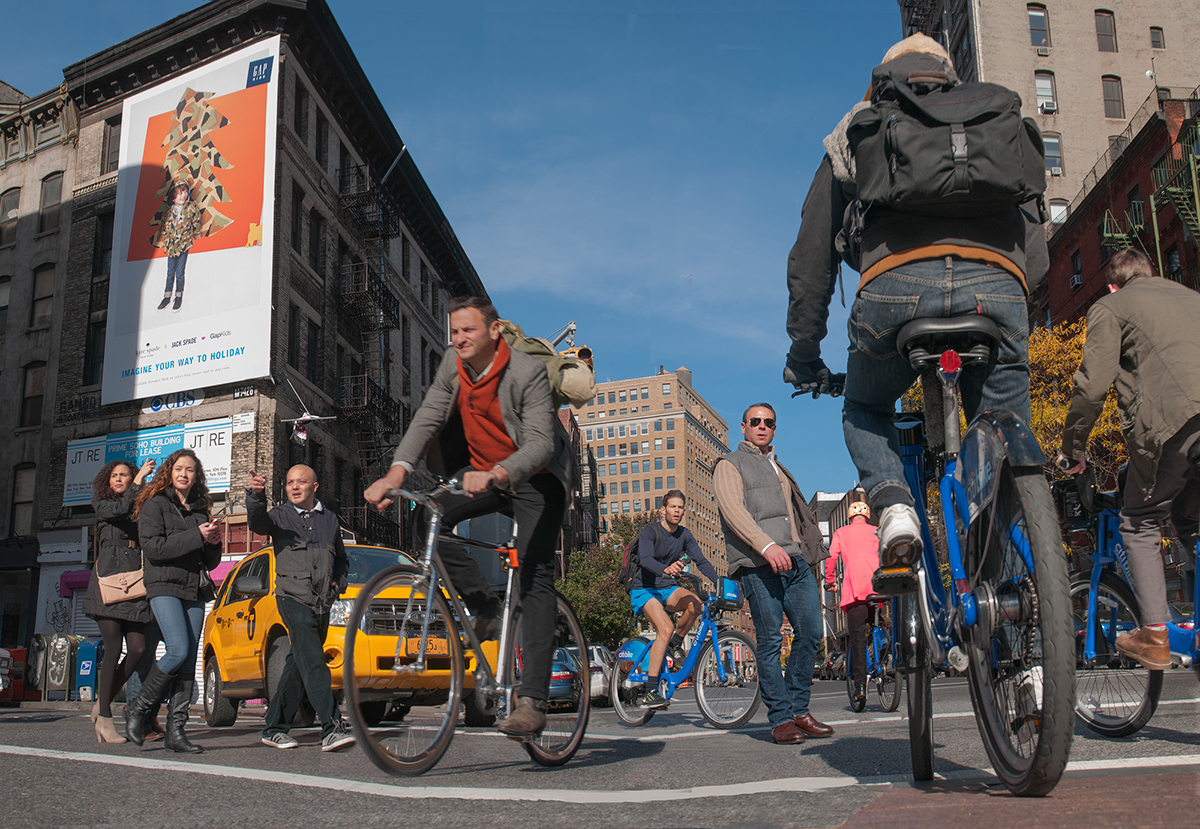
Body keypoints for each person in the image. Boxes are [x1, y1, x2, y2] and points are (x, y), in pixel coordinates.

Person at [783, 33, 1048, 593]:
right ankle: (1014, 596)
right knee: (1000, 433)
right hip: (996, 287)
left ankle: (895, 504)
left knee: (865, 407)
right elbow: (1040, 252)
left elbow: (812, 260)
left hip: (894, 294)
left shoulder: (863, 125)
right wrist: (1012, 298)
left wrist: (805, 354)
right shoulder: (992, 121)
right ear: (950, 76)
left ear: (885, 79)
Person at [364, 295, 571, 739]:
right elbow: (428, 416)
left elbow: (540, 443)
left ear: (493, 331)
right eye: (453, 331)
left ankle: (531, 700)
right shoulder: (452, 365)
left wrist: (498, 472)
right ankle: (484, 605)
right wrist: (395, 473)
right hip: (480, 473)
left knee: (534, 574)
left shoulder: (526, 372)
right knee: (428, 519)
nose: (458, 339)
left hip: (536, 477)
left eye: (468, 331)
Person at [1059, 248, 1200, 670]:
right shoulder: (1189, 296)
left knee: (1140, 521)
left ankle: (1156, 635)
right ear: (1153, 275)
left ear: (1113, 284)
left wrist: (1073, 448)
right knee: (1190, 520)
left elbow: (1092, 383)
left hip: (1176, 423)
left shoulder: (1111, 306)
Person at [713, 403, 832, 745]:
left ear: (774, 429)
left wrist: (802, 549)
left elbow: (793, 517)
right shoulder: (729, 464)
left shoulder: (778, 467)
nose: (762, 426)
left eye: (769, 422)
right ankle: (780, 719)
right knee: (770, 640)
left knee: (810, 633)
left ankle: (798, 709)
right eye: (755, 421)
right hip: (758, 564)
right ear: (743, 427)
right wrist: (766, 546)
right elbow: (734, 511)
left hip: (793, 561)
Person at [248, 464, 354, 751]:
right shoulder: (278, 516)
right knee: (314, 659)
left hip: (322, 601)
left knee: (299, 664)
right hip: (291, 598)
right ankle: (331, 727)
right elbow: (257, 524)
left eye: (301, 482)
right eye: (289, 483)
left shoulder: (330, 520)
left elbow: (342, 559)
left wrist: (338, 584)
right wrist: (256, 497)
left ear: (314, 487)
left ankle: (274, 727)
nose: (294, 487)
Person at [124, 448, 221, 753]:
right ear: (169, 472)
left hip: (192, 588)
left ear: (197, 476)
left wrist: (213, 543)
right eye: (179, 468)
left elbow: (209, 561)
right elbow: (153, 549)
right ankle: (138, 708)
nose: (184, 474)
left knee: (189, 659)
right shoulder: (156, 504)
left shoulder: (200, 510)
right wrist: (196, 536)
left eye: (190, 470)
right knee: (177, 649)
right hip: (163, 585)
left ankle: (176, 730)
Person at [81, 458, 155, 744]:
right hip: (109, 583)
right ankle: (106, 718)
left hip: (135, 583)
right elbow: (121, 508)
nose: (120, 479)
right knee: (112, 649)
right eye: (115, 476)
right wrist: (139, 481)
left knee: (138, 648)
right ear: (107, 481)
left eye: (125, 475)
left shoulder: (140, 505)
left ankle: (99, 705)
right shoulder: (103, 504)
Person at [629, 490, 720, 709]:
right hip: (645, 589)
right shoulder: (650, 531)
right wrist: (666, 569)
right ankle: (650, 691)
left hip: (667, 588)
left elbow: (701, 560)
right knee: (665, 628)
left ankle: (676, 644)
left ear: (684, 511)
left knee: (696, 604)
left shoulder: (684, 535)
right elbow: (646, 559)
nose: (676, 511)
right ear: (663, 509)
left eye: (680, 507)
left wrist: (720, 582)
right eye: (672, 507)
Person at [824, 501, 880, 704]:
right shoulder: (876, 531)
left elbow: (831, 558)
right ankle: (884, 659)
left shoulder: (841, 532)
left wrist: (830, 581)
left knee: (858, 639)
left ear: (849, 517)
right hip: (877, 588)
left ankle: (859, 686)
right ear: (867, 516)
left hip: (855, 590)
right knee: (878, 628)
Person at [153, 181, 200, 312]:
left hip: (184, 245)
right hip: (171, 247)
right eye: (180, 193)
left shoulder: (191, 207)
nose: (183, 195)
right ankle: (167, 297)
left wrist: (195, 235)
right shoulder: (168, 213)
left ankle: (178, 296)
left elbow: (196, 222)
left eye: (185, 192)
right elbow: (164, 229)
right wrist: (167, 242)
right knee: (169, 273)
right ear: (173, 196)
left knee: (179, 273)